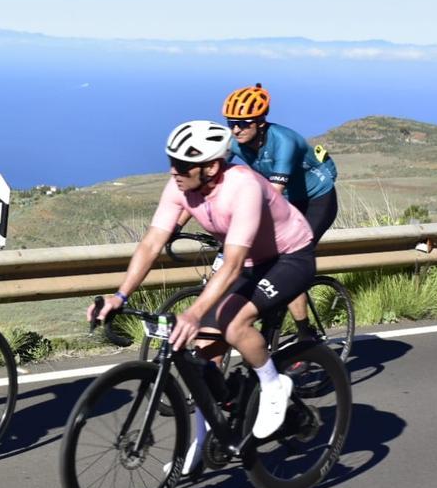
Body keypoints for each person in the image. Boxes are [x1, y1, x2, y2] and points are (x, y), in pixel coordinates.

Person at [90, 120, 315, 454]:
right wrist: (120, 295)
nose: (173, 172)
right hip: (249, 261)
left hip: (288, 256)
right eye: (170, 162)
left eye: (181, 165)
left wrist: (194, 312)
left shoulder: (243, 187)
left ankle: (273, 385)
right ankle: (206, 433)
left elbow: (234, 263)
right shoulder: (179, 188)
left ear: (211, 167)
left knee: (233, 323)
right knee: (204, 350)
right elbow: (152, 243)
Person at [224, 84, 338, 341]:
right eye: (232, 123)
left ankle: (305, 333)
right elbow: (209, 179)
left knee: (290, 258)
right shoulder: (235, 141)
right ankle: (272, 314)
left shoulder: (285, 142)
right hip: (286, 203)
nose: (236, 129)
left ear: (260, 123)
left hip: (316, 200)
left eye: (243, 123)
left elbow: (273, 194)